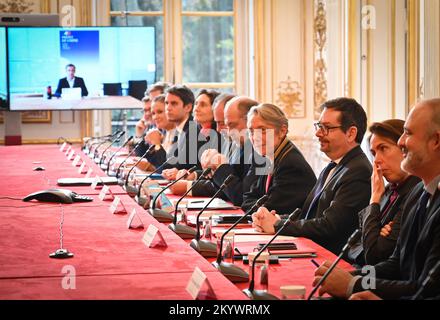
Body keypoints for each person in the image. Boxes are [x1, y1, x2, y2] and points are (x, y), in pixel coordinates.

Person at [312, 98, 440, 300]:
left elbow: (425, 289)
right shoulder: (420, 193)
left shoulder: (413, 190)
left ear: (436, 141)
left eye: (409, 133)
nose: (401, 141)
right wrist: (353, 276)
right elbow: (395, 264)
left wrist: (353, 284)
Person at [252, 98, 372, 256]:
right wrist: (275, 219)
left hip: (329, 259)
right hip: (312, 250)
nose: (318, 133)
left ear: (351, 133)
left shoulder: (358, 170)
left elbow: (330, 226)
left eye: (326, 128)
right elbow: (308, 214)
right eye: (319, 126)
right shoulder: (334, 166)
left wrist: (278, 225)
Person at [349, 120, 421, 266]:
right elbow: (352, 246)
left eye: (383, 148)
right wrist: (376, 233)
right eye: (374, 153)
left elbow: (374, 256)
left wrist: (374, 200)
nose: (376, 160)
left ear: (405, 148)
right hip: (369, 273)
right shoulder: (387, 189)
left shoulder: (416, 191)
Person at [241, 103, 316, 214]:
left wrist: (258, 206)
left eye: (262, 130)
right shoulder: (271, 156)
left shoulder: (290, 165)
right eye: (251, 131)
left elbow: (269, 210)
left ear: (282, 131)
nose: (255, 137)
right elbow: (248, 197)